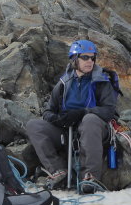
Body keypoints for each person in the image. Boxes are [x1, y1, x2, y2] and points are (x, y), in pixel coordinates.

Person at [26, 40, 119, 194]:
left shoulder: (102, 81)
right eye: (85, 57)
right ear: (75, 59)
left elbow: (109, 111)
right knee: (34, 125)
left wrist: (83, 112)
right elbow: (48, 112)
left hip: (94, 130)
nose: (90, 61)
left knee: (89, 120)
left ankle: (90, 177)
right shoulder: (64, 83)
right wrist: (58, 119)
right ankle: (58, 171)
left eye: (92, 58)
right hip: (68, 131)